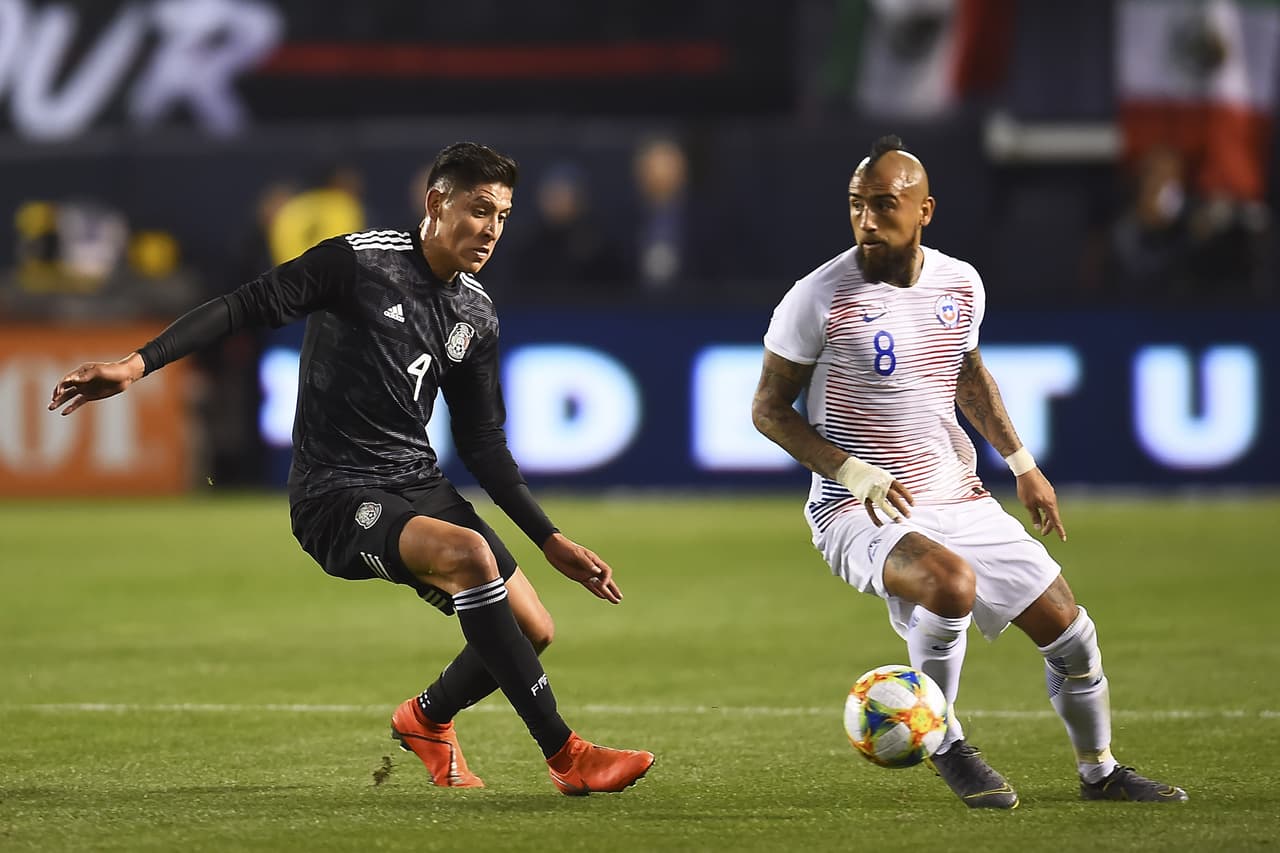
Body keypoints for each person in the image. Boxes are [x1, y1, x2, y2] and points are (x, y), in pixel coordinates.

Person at [47, 142, 655, 796]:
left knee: (533, 629)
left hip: (416, 480)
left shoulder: (475, 310)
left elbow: (481, 441)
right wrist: (137, 364)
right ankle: (567, 755)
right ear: (436, 203)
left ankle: (425, 719)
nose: (491, 230)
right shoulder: (357, 263)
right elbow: (243, 305)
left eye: (503, 216)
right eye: (479, 210)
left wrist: (548, 537)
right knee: (471, 557)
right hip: (335, 493)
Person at [750, 135, 1187, 809]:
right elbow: (769, 410)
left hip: (957, 491)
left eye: (884, 205)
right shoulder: (816, 298)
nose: (867, 220)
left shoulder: (960, 283)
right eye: (856, 205)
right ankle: (945, 739)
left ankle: (1100, 772)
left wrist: (1023, 464)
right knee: (949, 583)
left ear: (925, 209)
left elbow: (968, 373)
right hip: (860, 507)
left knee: (1072, 633)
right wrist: (852, 471)